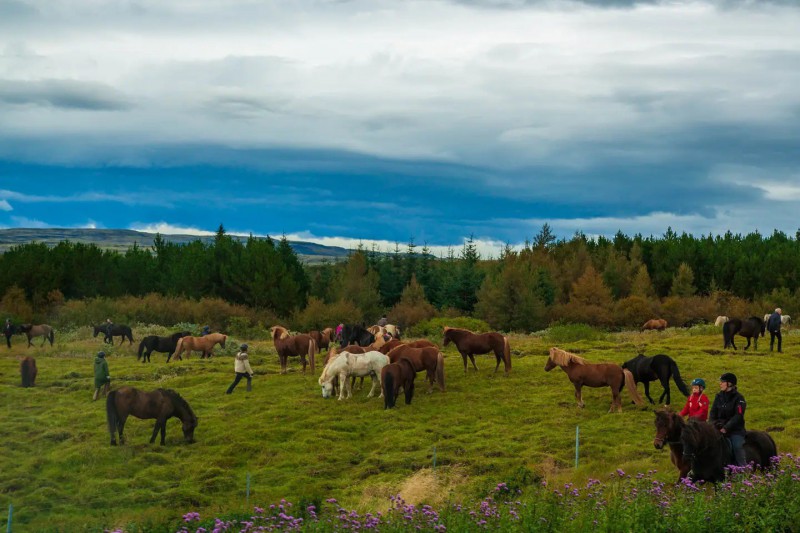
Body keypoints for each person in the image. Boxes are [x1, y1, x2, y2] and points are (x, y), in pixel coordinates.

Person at [709, 373, 747, 467]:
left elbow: (738, 416)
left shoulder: (739, 398)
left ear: (729, 384)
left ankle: (744, 469)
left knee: (737, 447)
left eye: (722, 382)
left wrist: (726, 428)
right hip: (718, 429)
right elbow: (712, 413)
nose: (720, 384)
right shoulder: (718, 396)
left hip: (735, 431)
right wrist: (712, 425)